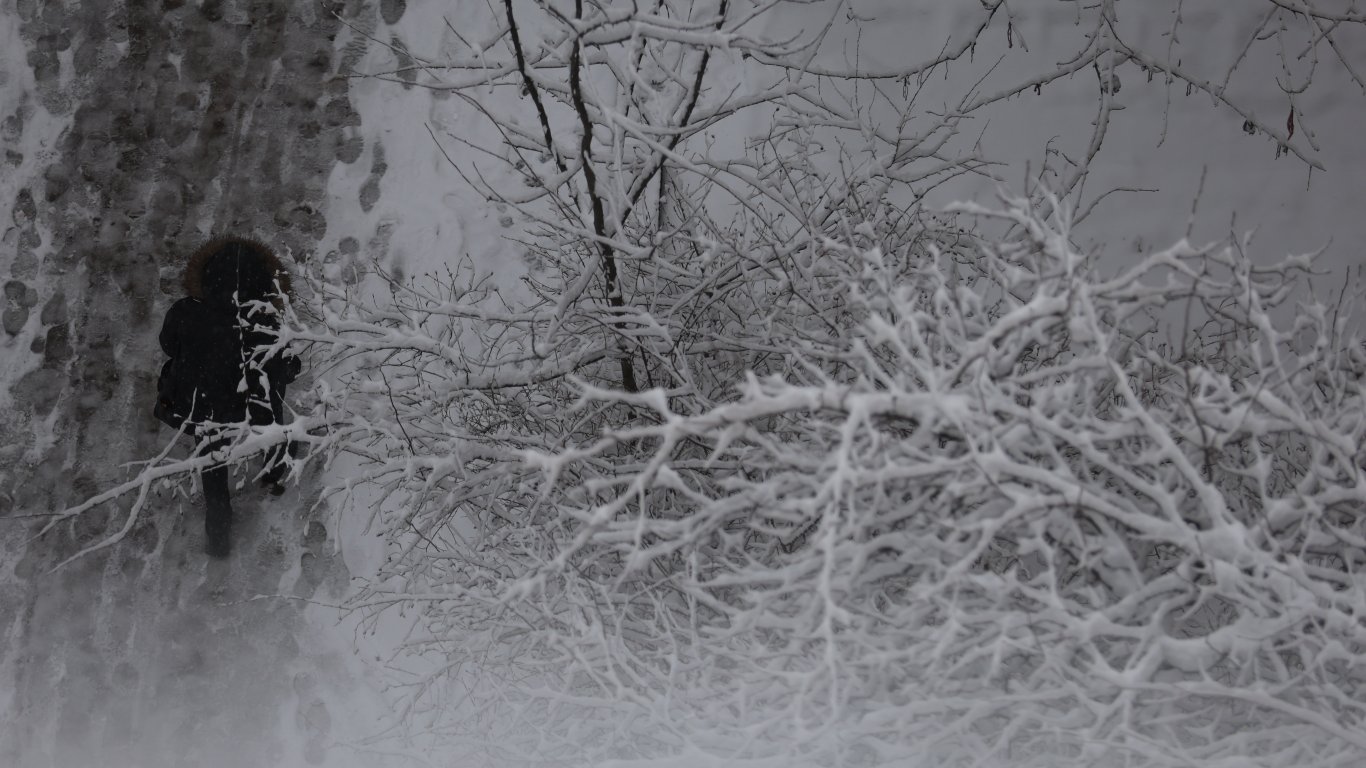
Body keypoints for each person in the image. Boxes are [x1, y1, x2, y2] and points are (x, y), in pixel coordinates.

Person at [155, 236, 301, 558]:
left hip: (206, 404)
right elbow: (288, 367)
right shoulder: (266, 318)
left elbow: (168, 346)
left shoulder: (185, 311)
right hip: (255, 407)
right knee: (274, 406)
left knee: (212, 465)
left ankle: (218, 537)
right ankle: (274, 474)